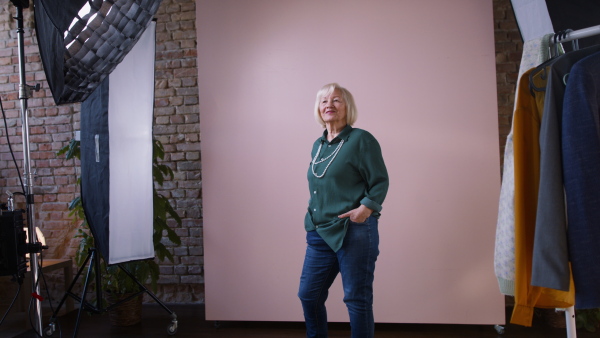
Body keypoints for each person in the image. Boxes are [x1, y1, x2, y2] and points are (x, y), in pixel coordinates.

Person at [298, 83, 389, 338]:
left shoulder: (361, 139)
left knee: (356, 299)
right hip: (319, 232)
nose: (329, 105)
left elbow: (380, 180)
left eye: (336, 100)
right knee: (309, 295)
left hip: (354, 231)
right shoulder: (318, 145)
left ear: (347, 108)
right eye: (324, 101)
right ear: (318, 108)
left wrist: (366, 209)